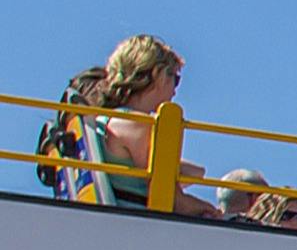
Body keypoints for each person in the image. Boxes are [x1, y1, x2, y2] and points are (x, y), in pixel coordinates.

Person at [60, 36, 218, 213]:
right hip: (141, 226)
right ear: (158, 74)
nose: (175, 90)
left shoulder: (108, 121)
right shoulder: (138, 125)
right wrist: (213, 210)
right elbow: (175, 202)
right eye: (175, 78)